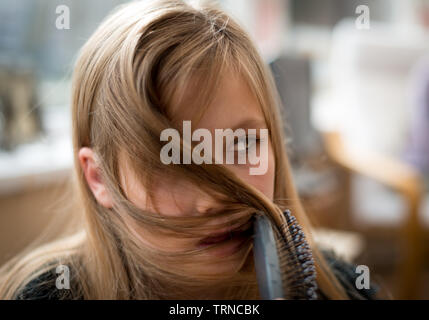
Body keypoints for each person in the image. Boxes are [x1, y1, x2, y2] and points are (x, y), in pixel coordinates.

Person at [0, 0, 377, 300]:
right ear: (99, 177)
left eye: (243, 144)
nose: (215, 198)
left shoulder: (339, 289)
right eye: (170, 159)